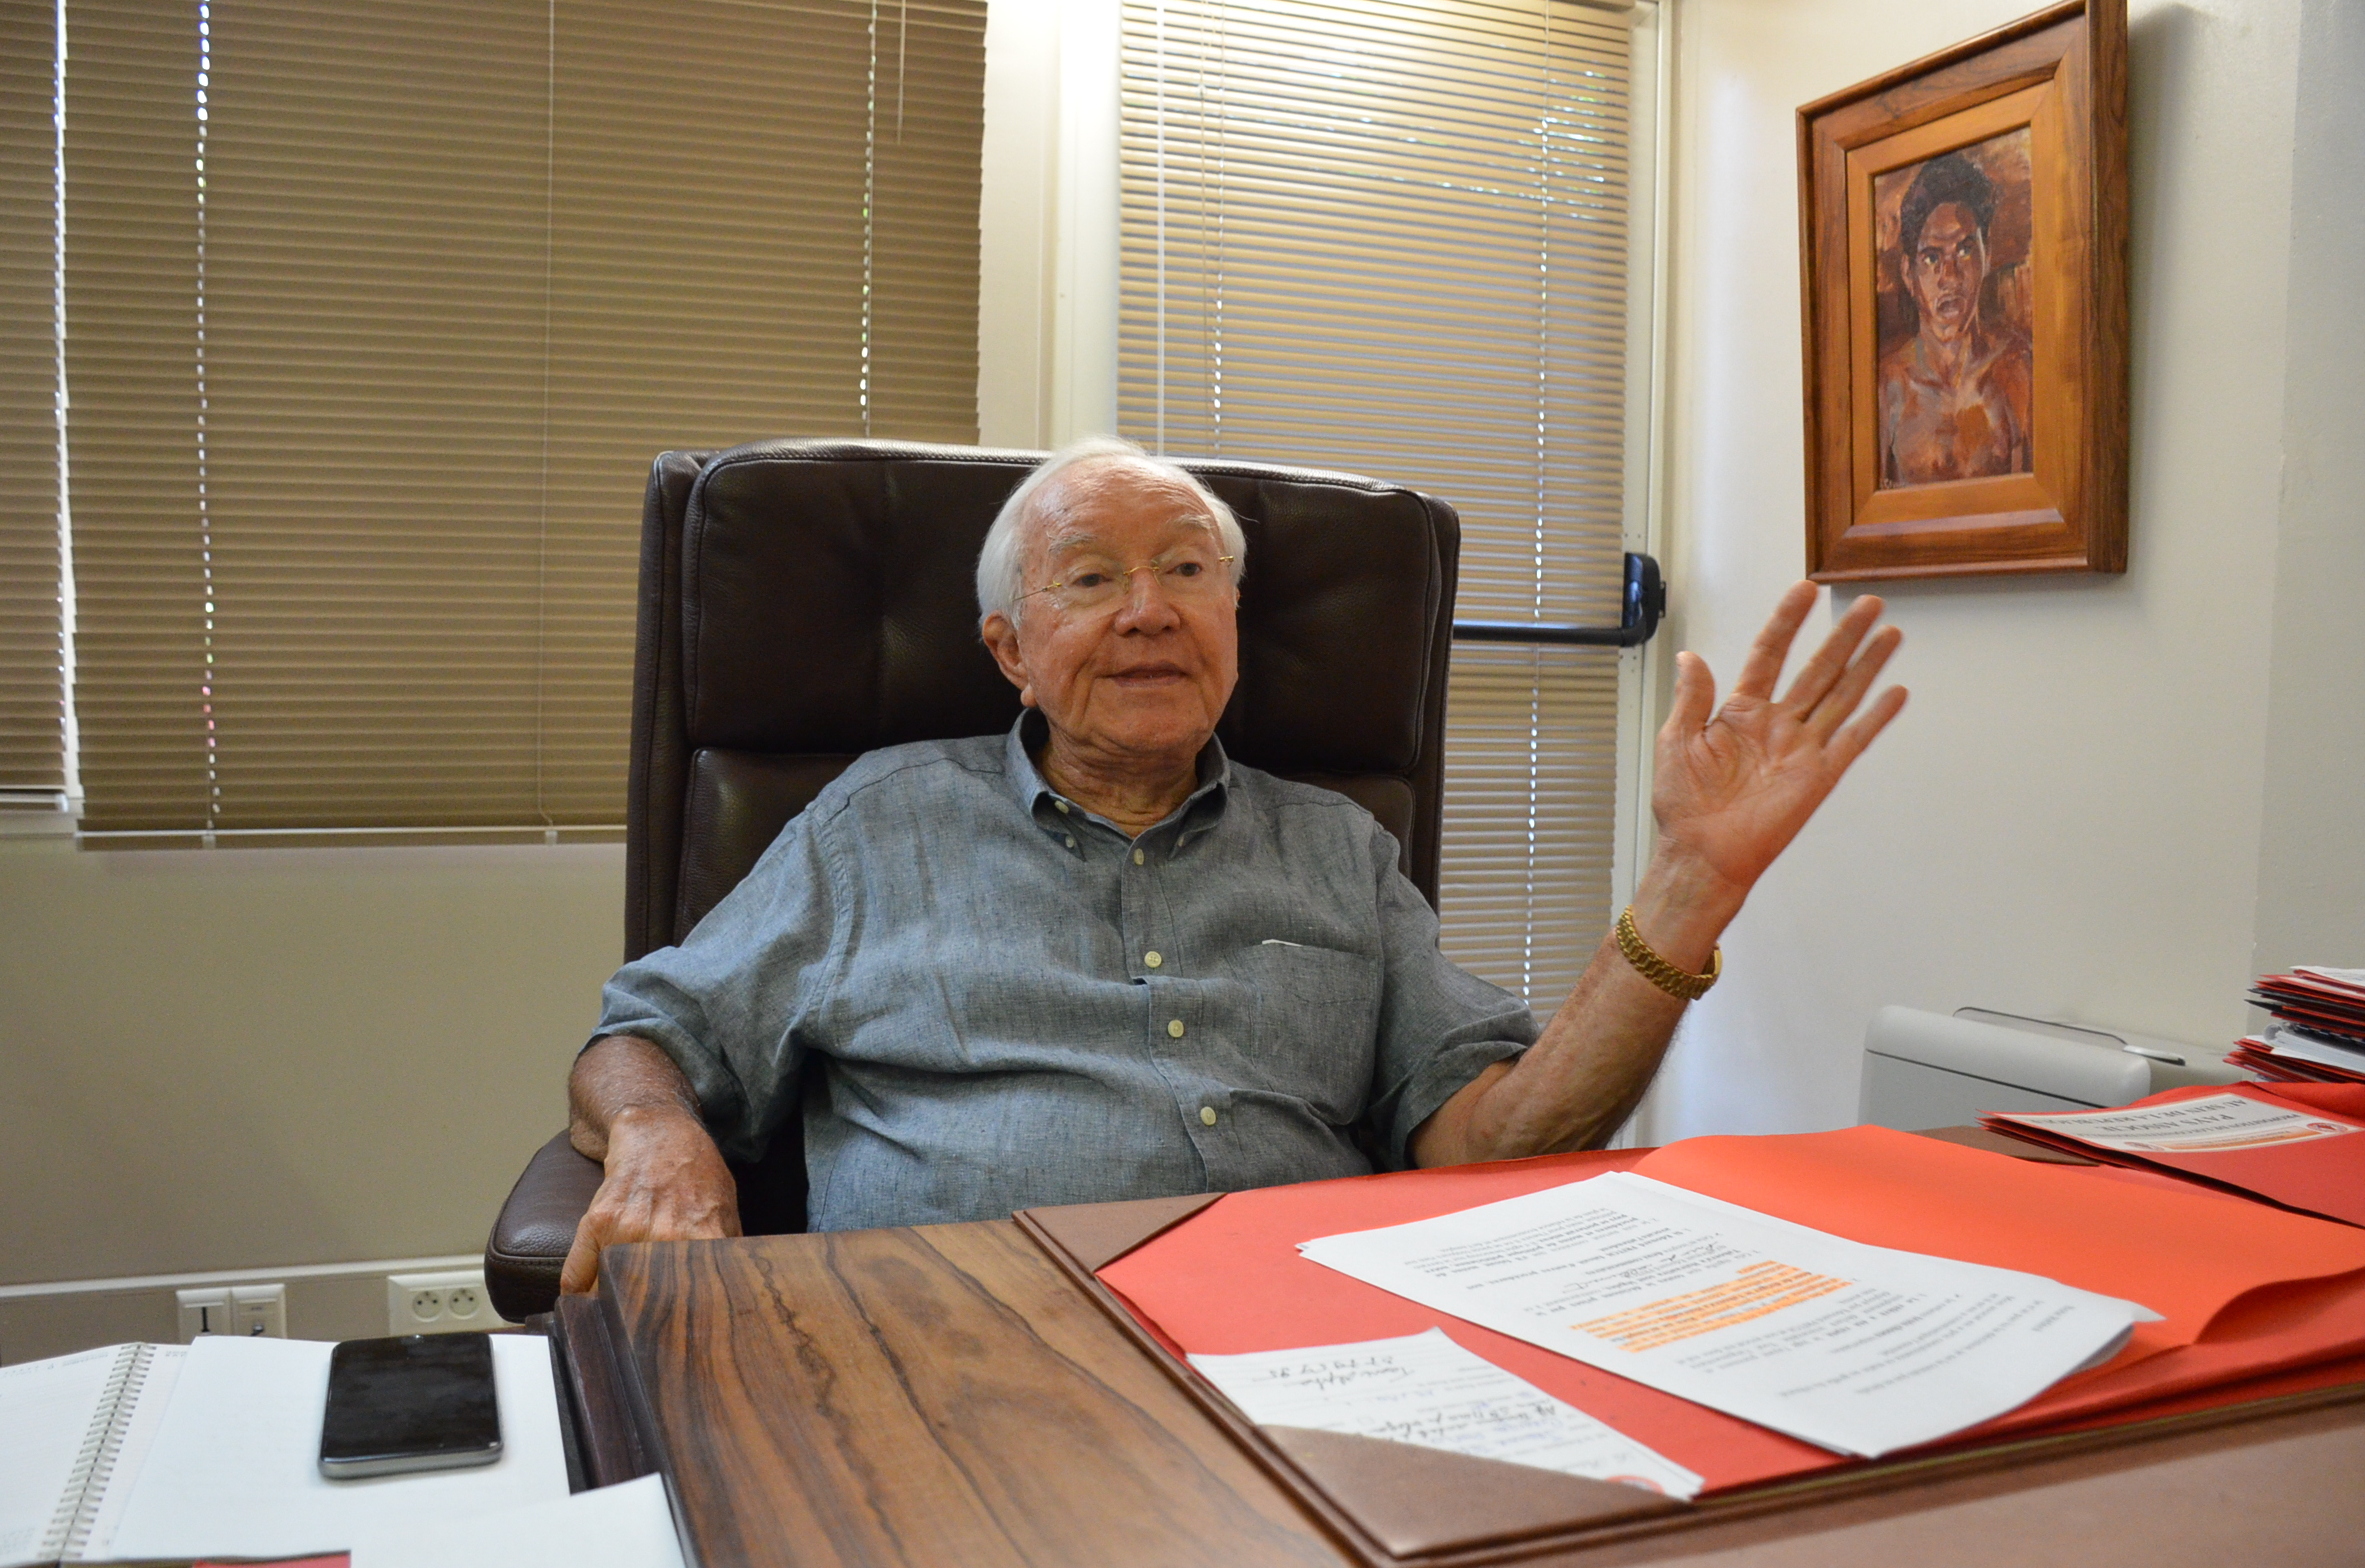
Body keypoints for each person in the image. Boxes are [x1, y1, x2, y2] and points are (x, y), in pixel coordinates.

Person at [557, 438, 1907, 1293]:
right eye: (1091, 579)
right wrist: (661, 1133)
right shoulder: (878, 823)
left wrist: (1690, 884)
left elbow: (1497, 1142)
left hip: (1315, 1342)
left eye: (1187, 570)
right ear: (1010, 649)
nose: (1150, 610)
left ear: (1235, 617)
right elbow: (646, 1037)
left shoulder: (1336, 846)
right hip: (968, 1336)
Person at [1877, 151, 2033, 486]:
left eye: (1964, 251)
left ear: (1987, 256)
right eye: (1932, 258)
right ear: (1908, 272)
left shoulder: (2018, 370)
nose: (1950, 277)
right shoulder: (1888, 387)